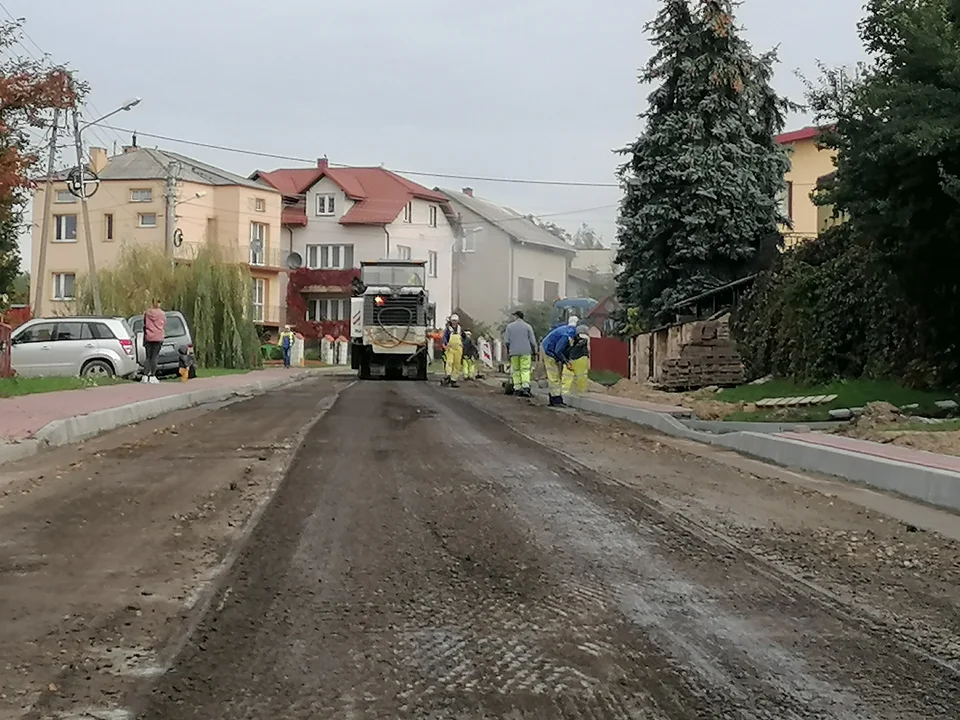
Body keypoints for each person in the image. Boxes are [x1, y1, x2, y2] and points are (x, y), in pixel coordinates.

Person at [540, 321, 578, 406]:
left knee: (556, 375)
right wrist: (566, 362)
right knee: (553, 375)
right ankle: (556, 399)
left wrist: (565, 360)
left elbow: (564, 350)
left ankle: (555, 397)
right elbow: (558, 351)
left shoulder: (567, 331)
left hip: (551, 349)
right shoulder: (566, 336)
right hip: (548, 351)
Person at [502, 310, 537, 397]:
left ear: (517, 316)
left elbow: (506, 341)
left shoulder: (509, 327)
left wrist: (509, 350)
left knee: (516, 370)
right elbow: (532, 341)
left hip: (514, 352)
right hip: (526, 352)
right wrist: (534, 351)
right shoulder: (528, 327)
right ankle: (525, 387)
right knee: (525, 369)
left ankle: (517, 388)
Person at [562, 325, 591, 399]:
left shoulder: (572, 336)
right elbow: (588, 349)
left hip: (571, 358)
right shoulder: (586, 338)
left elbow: (568, 346)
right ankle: (581, 392)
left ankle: (565, 392)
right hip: (582, 358)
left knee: (567, 375)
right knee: (581, 376)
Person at [142, 298, 166, 384]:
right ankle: (152, 376)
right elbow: (163, 324)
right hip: (158, 337)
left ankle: (145, 376)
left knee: (148, 356)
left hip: (148, 336)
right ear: (159, 303)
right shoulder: (162, 314)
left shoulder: (147, 313)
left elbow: (144, 323)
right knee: (154, 356)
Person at [442, 314, 465, 387]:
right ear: (451, 321)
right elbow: (445, 337)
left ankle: (453, 379)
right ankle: (448, 374)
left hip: (458, 348)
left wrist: (463, 343)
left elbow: (464, 337)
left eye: (455, 321)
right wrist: (444, 344)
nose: (454, 322)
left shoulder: (460, 329)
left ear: (458, 321)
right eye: (453, 321)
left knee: (457, 364)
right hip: (450, 348)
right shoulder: (448, 329)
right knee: (449, 362)